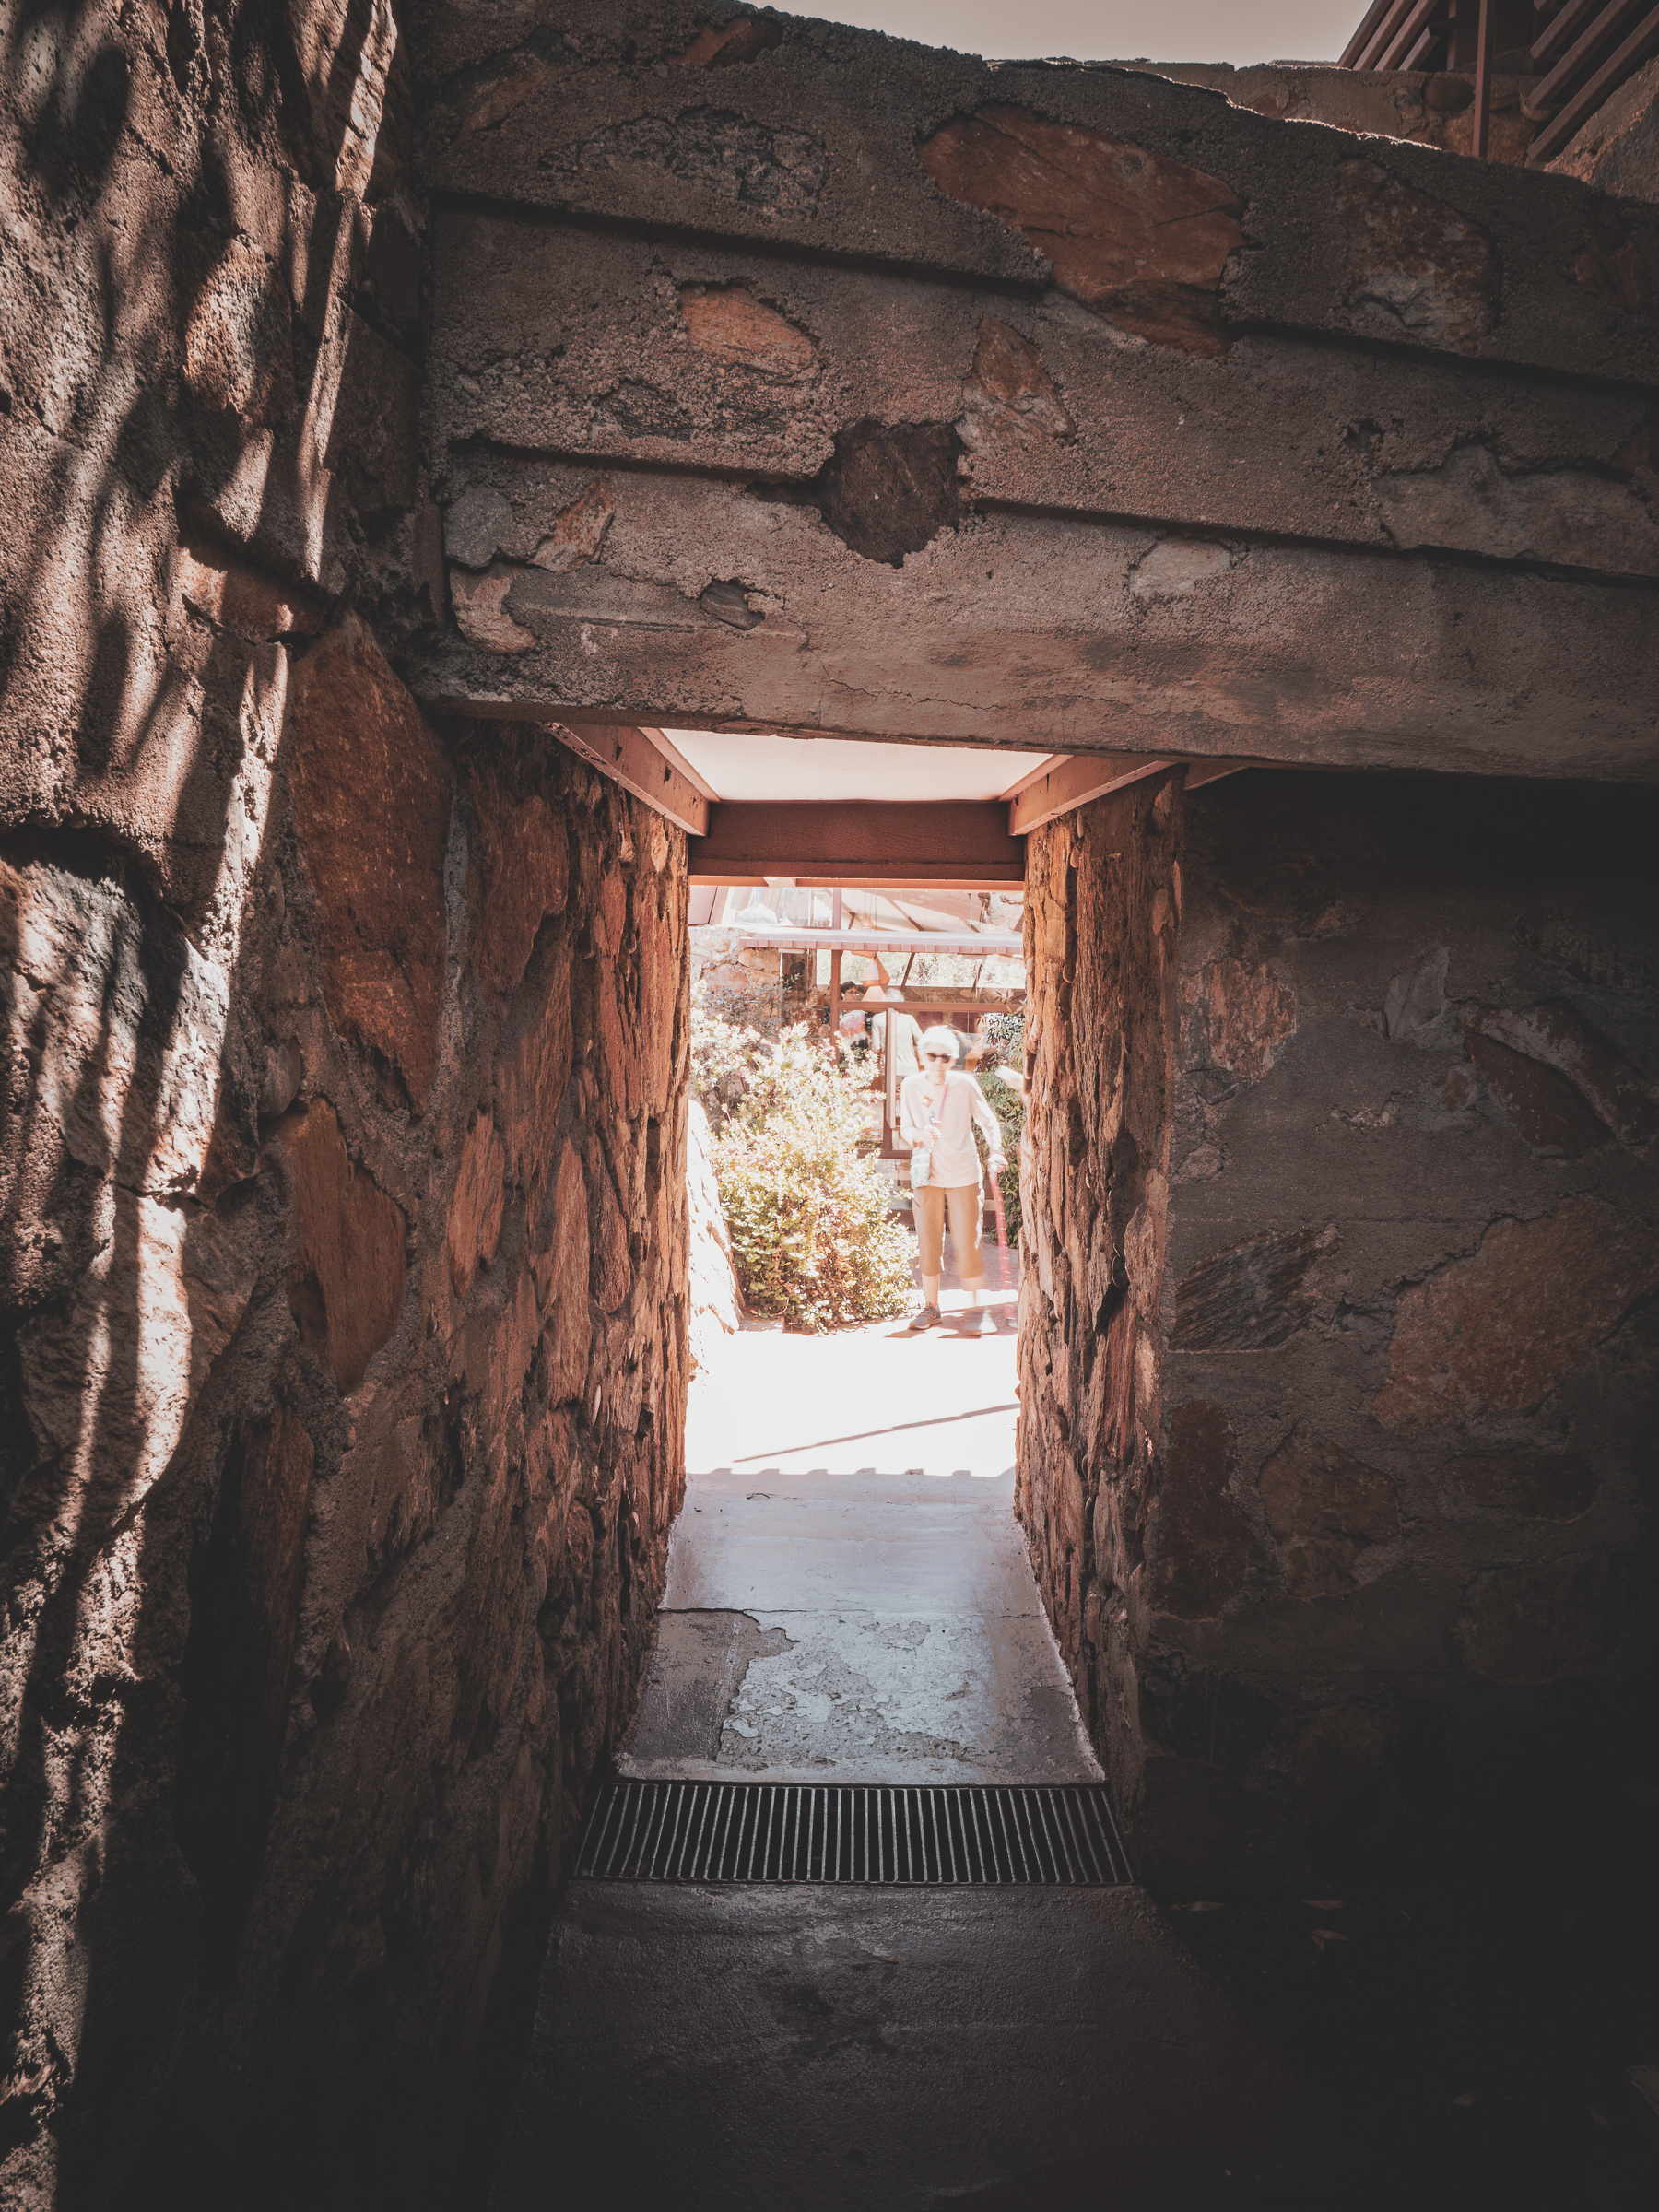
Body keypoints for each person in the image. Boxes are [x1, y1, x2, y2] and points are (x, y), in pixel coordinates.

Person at [900, 1025, 1006, 1333]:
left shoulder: (965, 1084)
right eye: (932, 1056)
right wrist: (918, 1134)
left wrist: (996, 1151)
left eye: (945, 1057)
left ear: (953, 1059)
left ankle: (975, 1311)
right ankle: (931, 1307)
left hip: (963, 1173)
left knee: (968, 1242)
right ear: (922, 1056)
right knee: (928, 1241)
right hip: (927, 1174)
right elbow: (905, 1129)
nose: (938, 1063)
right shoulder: (911, 1085)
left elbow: (988, 1121)